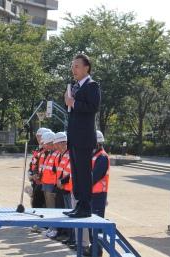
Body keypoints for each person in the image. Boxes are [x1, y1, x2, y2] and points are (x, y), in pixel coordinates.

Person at [64, 54, 101, 218]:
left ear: (87, 67)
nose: (74, 69)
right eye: (73, 66)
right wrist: (69, 103)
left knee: (84, 172)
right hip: (74, 137)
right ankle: (79, 204)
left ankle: (85, 207)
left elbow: (93, 107)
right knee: (76, 172)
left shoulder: (92, 86)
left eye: (77, 66)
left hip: (84, 138)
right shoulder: (75, 86)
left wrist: (73, 103)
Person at [82, 131, 109, 257]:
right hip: (92, 194)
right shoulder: (94, 155)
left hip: (98, 195)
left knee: (96, 225)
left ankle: (97, 252)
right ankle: (94, 249)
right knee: (91, 224)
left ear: (98, 143)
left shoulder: (102, 157)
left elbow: (95, 176)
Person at [54, 132, 76, 248]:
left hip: (69, 188)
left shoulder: (70, 154)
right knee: (68, 214)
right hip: (64, 188)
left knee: (71, 214)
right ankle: (70, 237)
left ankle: (73, 238)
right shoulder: (62, 154)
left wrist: (62, 182)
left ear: (63, 143)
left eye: (57, 144)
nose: (55, 146)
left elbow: (71, 172)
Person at [28, 128, 51, 209]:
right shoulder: (37, 150)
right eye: (37, 136)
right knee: (34, 203)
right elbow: (33, 164)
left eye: (40, 136)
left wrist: (37, 175)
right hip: (35, 181)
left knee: (42, 205)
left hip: (43, 182)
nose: (38, 138)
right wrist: (31, 174)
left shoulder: (47, 151)